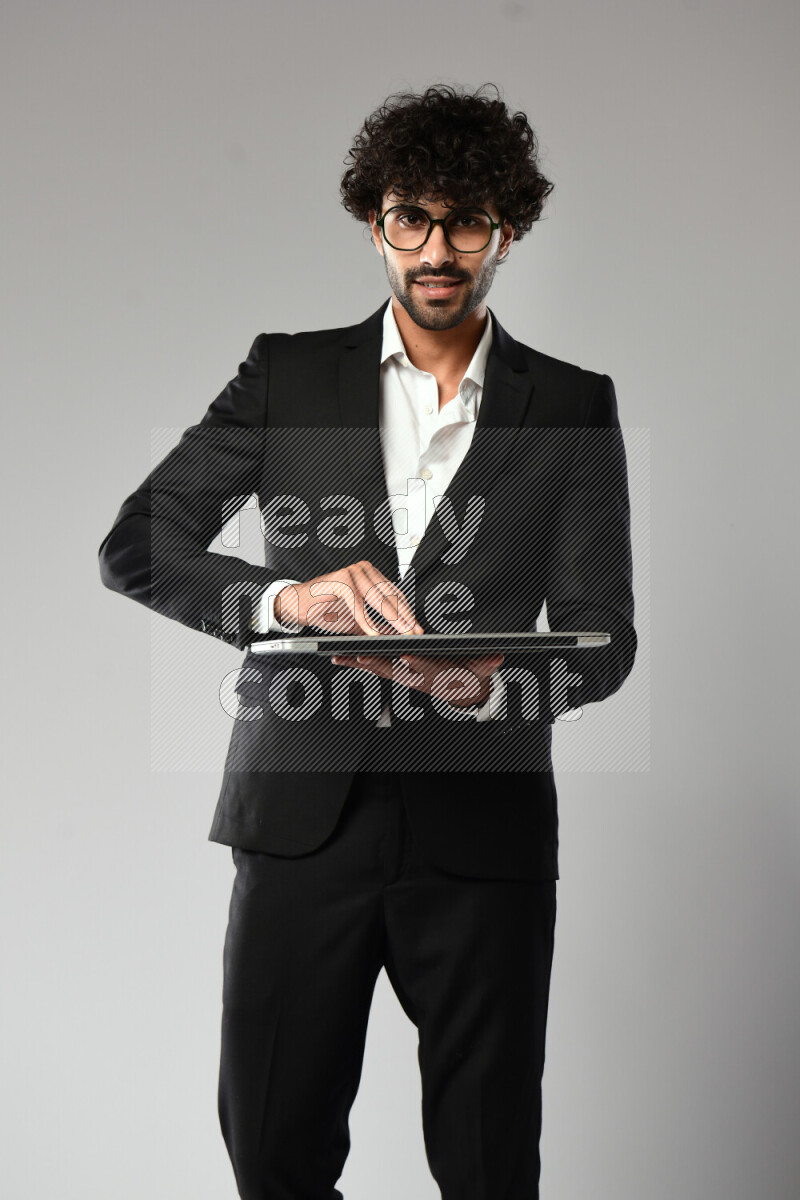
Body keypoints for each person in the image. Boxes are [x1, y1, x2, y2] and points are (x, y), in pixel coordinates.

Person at [98, 82, 637, 1199]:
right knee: (273, 1153)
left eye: (466, 221)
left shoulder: (572, 406)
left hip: (480, 827)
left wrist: (495, 687)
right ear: (374, 221)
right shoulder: (287, 375)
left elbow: (601, 636)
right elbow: (138, 541)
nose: (437, 249)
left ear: (506, 229)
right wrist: (287, 602)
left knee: (491, 1167)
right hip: (304, 822)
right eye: (411, 218)